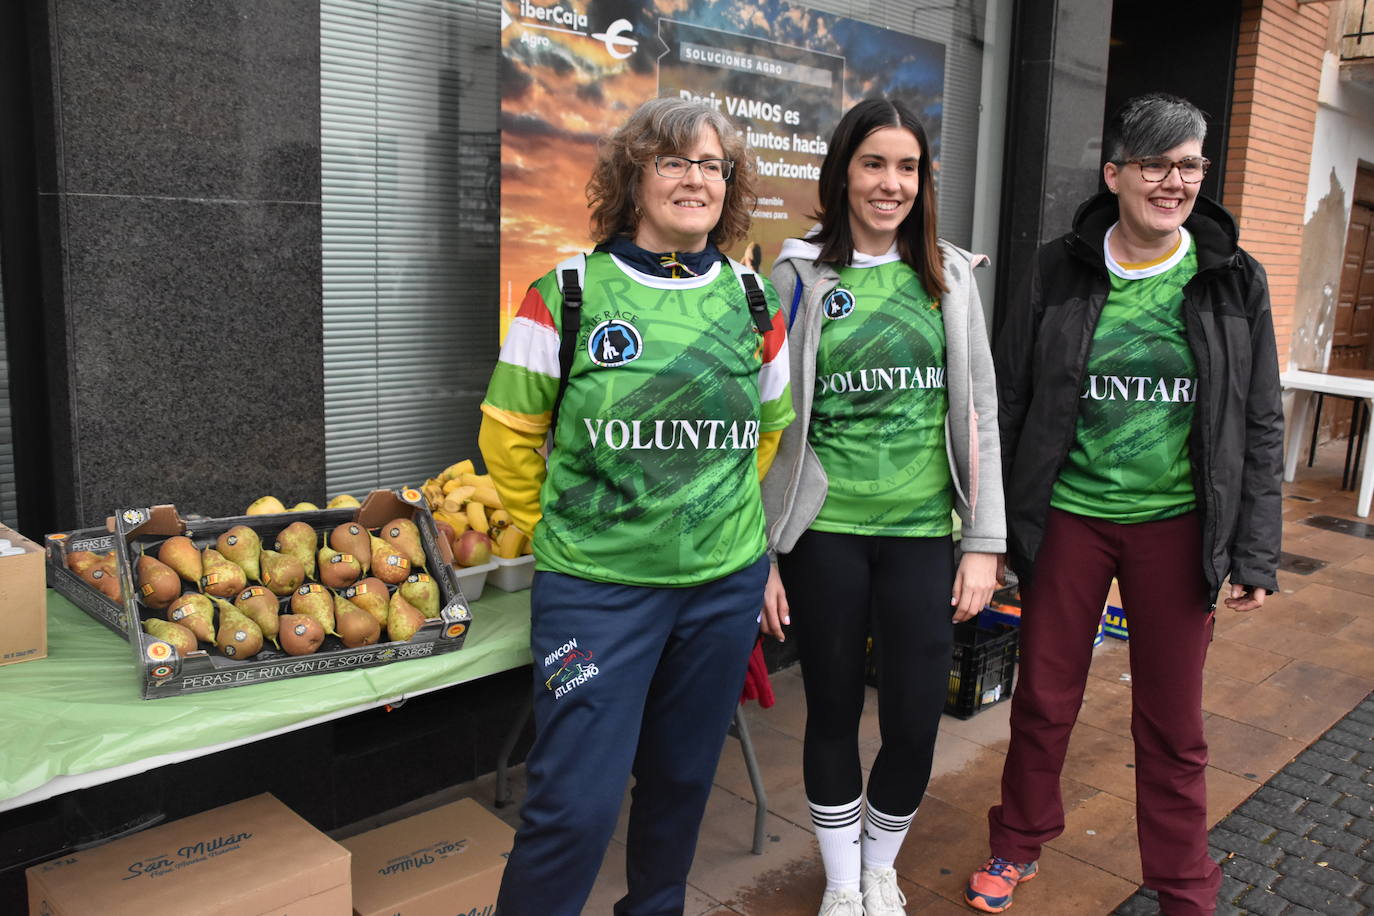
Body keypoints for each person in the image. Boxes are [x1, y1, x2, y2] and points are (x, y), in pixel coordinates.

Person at [963, 93, 1282, 915]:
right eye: (1156, 164)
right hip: (1069, 515)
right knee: (1044, 697)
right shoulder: (1057, 265)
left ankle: (1183, 882)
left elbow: (1258, 418)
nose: (1175, 182)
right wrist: (991, 530)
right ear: (1116, 174)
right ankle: (1017, 841)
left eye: (1190, 165)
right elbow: (1010, 399)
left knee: (1173, 722)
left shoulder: (1232, 277)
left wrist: (1254, 550)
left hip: (1178, 525)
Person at [478, 96, 795, 916]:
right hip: (598, 591)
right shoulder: (567, 293)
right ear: (634, 175)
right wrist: (562, 533)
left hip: (720, 591)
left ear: (731, 184)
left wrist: (726, 524)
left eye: (712, 165)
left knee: (682, 782)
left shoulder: (756, 302)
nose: (696, 179)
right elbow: (508, 437)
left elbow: (767, 432)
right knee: (573, 805)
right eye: (675, 161)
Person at [761, 97, 1006, 916]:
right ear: (842, 172)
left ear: (923, 179)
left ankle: (879, 869)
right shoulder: (794, 276)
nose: (891, 182)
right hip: (823, 532)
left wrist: (984, 541)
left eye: (907, 166)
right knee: (830, 712)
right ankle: (839, 882)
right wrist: (763, 553)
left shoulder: (949, 275)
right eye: (874, 163)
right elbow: (763, 426)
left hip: (922, 537)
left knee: (912, 722)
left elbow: (979, 416)